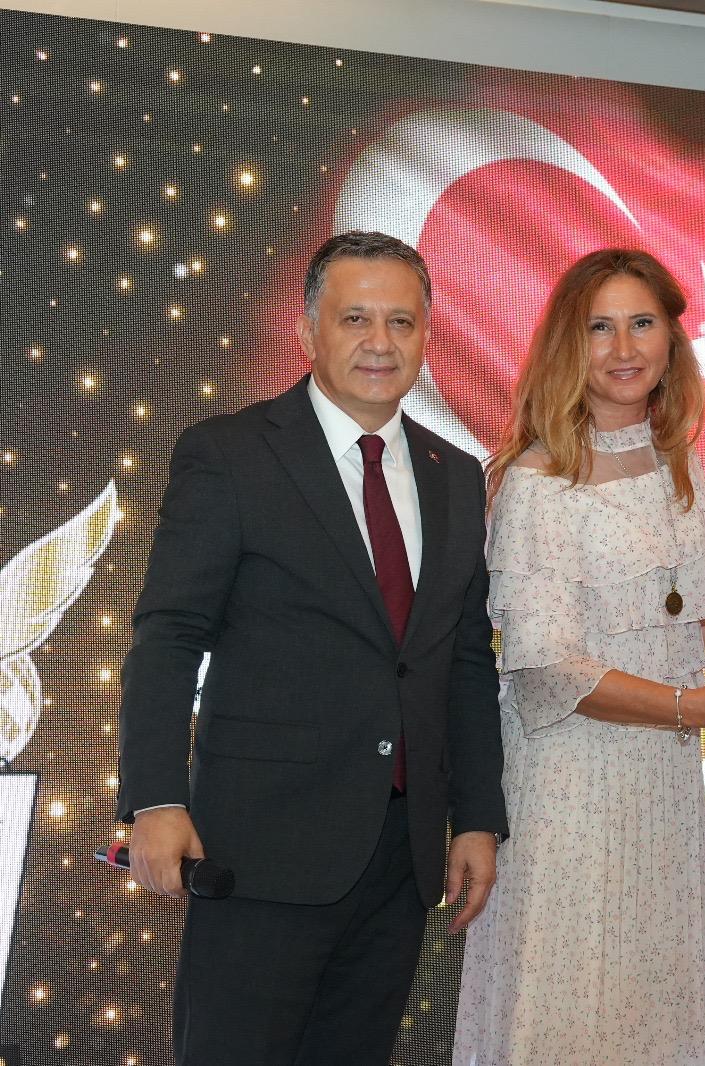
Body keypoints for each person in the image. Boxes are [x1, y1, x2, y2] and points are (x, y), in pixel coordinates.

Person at [117, 230, 508, 1065]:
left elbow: (467, 662)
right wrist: (153, 800)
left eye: (401, 321)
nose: (380, 342)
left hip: (401, 858)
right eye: (355, 318)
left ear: (426, 335)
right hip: (260, 849)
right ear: (308, 331)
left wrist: (478, 817)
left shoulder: (456, 473)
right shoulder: (230, 454)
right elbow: (168, 636)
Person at [453, 248, 705, 1065]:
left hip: (659, 782)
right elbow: (548, 667)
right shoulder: (536, 482)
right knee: (571, 1007)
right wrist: (695, 707)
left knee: (654, 1005)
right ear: (566, 344)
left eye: (642, 323)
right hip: (569, 786)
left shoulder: (670, 458)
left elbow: (688, 619)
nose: (624, 348)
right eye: (600, 328)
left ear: (671, 338)